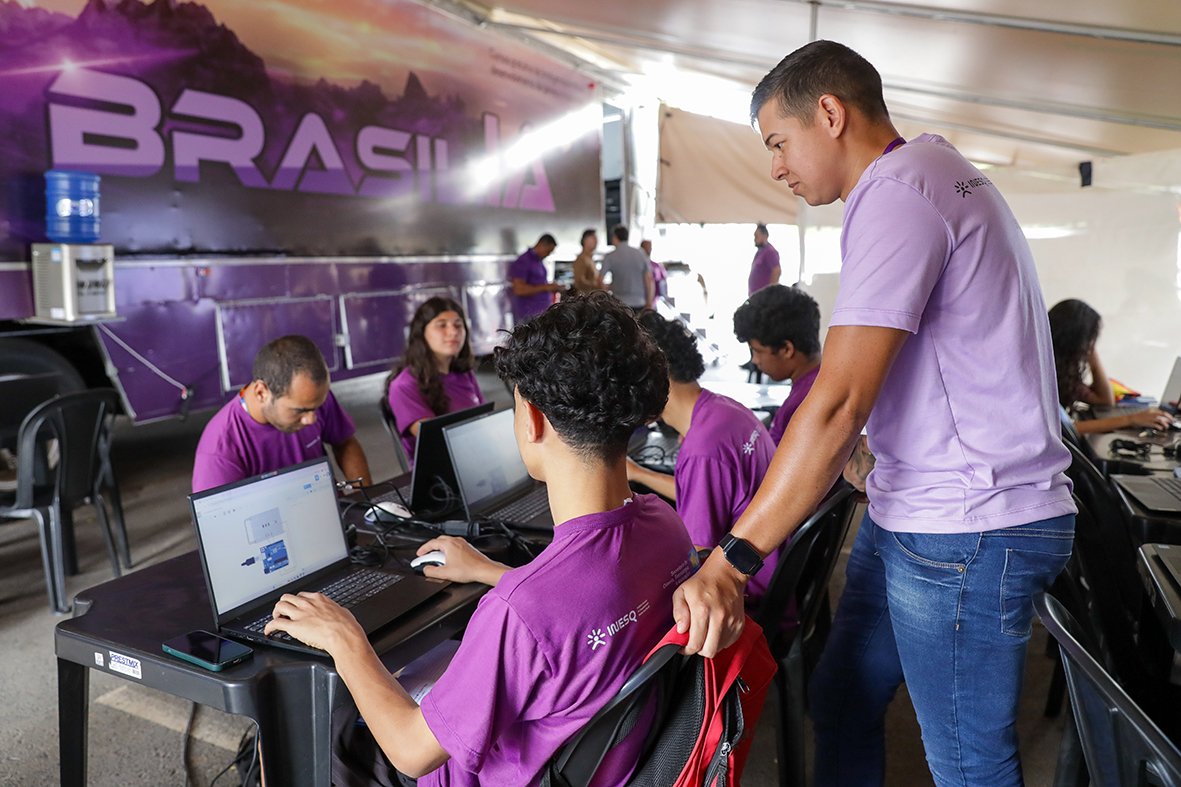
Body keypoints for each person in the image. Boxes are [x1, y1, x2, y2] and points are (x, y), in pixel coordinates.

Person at [674, 41, 1076, 787]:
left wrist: (732, 557)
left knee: (967, 762)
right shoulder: (928, 173)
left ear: (828, 113)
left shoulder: (898, 189)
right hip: (920, 507)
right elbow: (915, 372)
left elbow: (835, 401)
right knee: (842, 695)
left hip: (965, 523)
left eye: (777, 142)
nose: (775, 167)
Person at [265, 291, 696, 786]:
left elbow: (411, 750)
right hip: (622, 765)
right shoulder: (665, 524)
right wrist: (488, 571)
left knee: (342, 726)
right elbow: (574, 614)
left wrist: (346, 641)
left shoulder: (519, 611)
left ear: (532, 420)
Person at [626, 312, 778, 606]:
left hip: (746, 592)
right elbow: (706, 492)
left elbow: (695, 555)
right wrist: (637, 473)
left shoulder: (702, 450)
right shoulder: (724, 409)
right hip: (770, 566)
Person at [193, 335, 372, 493]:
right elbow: (222, 526)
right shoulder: (219, 451)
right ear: (262, 393)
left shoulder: (310, 399)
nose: (311, 419)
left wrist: (365, 503)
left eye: (316, 407)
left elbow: (345, 442)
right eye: (300, 411)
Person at [386, 297, 486, 463]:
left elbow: (486, 419)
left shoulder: (464, 374)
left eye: (458, 325)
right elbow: (436, 440)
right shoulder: (404, 385)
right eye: (442, 325)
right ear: (421, 333)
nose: (453, 332)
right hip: (441, 471)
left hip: (478, 457)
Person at [1049, 298, 1173, 433]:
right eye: (1088, 339)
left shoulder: (1063, 371)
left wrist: (1092, 354)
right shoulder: (1045, 374)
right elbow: (1062, 431)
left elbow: (1104, 401)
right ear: (1072, 340)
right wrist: (1131, 419)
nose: (1089, 345)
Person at [733, 284, 822, 445]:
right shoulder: (819, 382)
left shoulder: (800, 406)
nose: (755, 360)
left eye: (757, 351)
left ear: (786, 349)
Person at [508, 233, 562, 323]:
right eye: (548, 251)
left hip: (540, 314)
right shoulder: (524, 261)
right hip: (527, 317)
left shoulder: (539, 262)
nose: (548, 255)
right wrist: (546, 287)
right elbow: (519, 289)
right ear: (542, 245)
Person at [600, 225, 653, 311]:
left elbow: (600, 279)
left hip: (619, 304)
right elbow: (649, 279)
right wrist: (649, 302)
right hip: (639, 302)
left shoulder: (610, 256)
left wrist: (606, 297)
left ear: (615, 237)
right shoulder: (641, 253)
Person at [747, 223, 781, 295]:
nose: (754, 239)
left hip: (764, 298)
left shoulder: (770, 251)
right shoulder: (760, 252)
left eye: (756, 236)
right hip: (756, 297)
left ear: (764, 236)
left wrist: (771, 292)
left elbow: (776, 270)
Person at [571, 228, 602, 293]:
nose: (596, 242)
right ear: (586, 240)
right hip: (585, 298)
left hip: (592, 297)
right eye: (594, 239)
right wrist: (597, 285)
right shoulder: (581, 259)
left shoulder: (590, 258)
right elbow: (579, 282)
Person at [640, 239, 668, 306]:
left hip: (653, 302)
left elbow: (662, 282)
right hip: (639, 301)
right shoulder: (637, 266)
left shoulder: (657, 266)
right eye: (646, 247)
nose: (649, 249)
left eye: (650, 247)